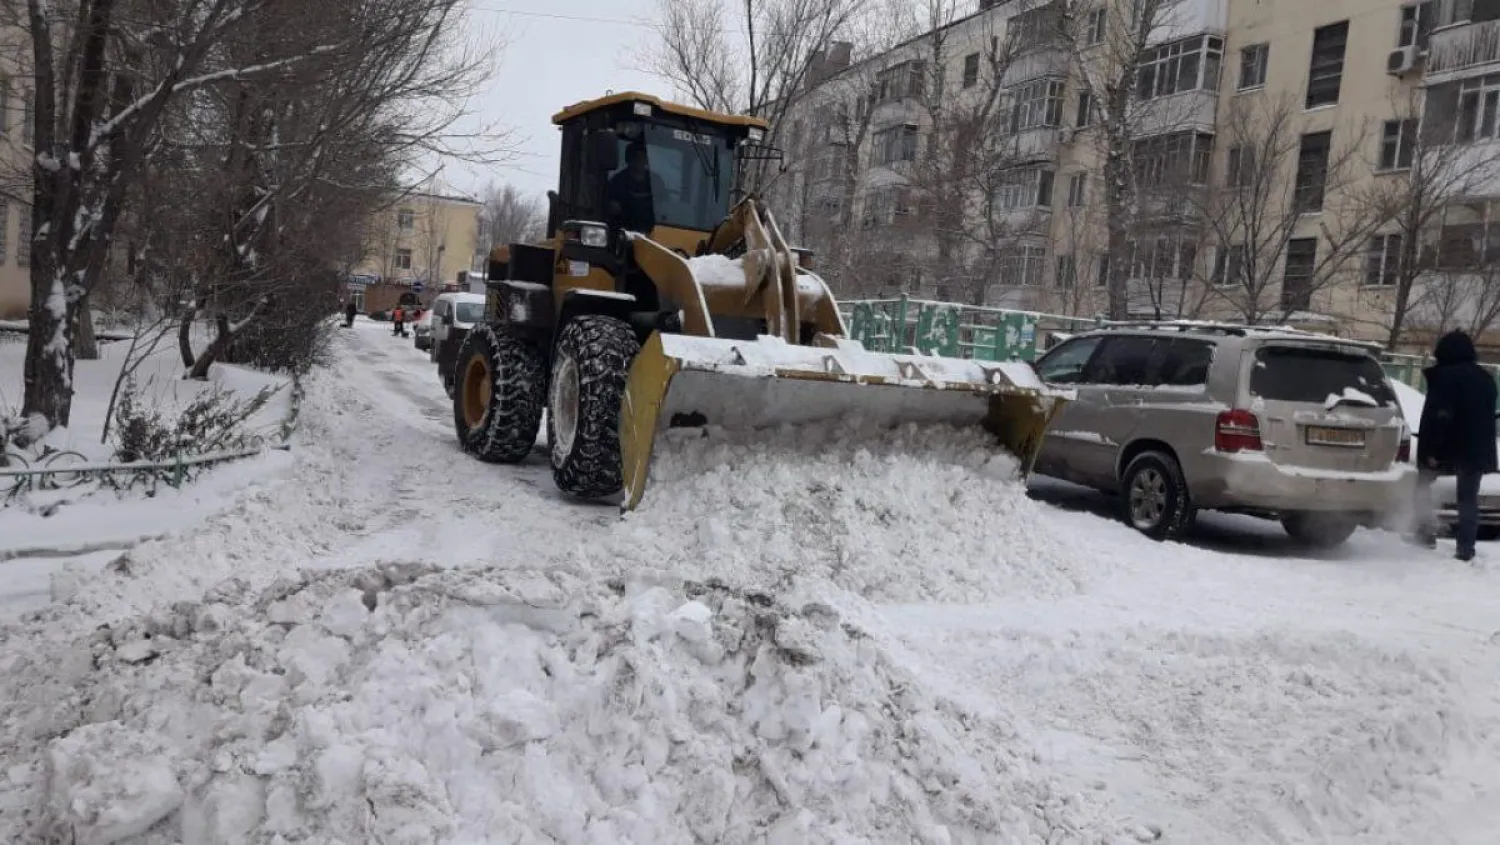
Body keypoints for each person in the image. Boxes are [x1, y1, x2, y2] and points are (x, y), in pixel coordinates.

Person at [1414, 329, 1498, 561]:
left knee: (1422, 485)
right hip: (1477, 451)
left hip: (1447, 449)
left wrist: (1431, 451)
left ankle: (1424, 531)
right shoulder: (1486, 379)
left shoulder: (1445, 377)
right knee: (1468, 499)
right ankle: (1465, 548)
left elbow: (1439, 416)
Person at [606, 142, 667, 234]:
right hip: (623, 229)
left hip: (652, 230)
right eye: (636, 156)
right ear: (629, 159)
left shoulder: (656, 180)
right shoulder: (617, 181)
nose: (640, 160)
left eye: (643, 157)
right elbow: (612, 207)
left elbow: (664, 204)